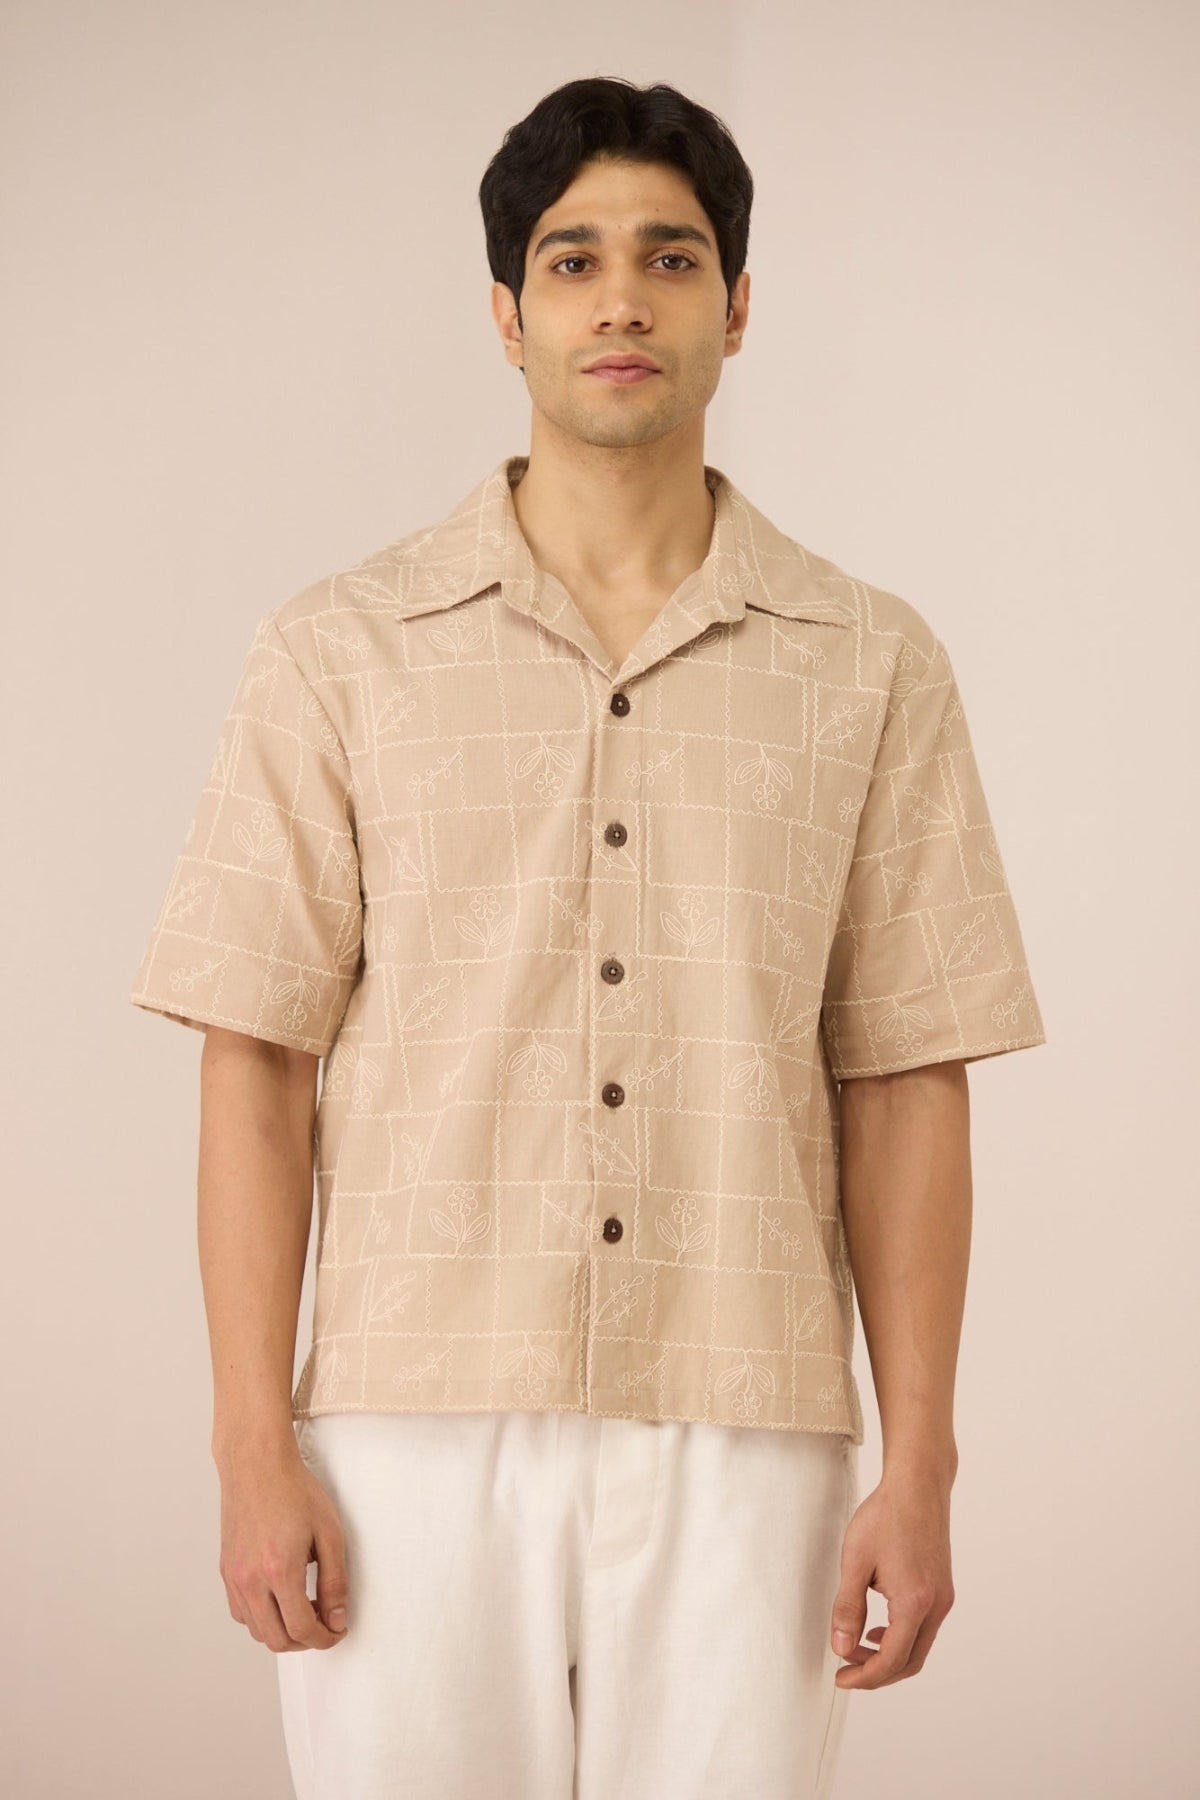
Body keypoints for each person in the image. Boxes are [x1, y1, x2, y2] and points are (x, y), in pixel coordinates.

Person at [129, 75, 1047, 1800]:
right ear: (507, 312)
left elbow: (907, 1074)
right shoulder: (339, 650)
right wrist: (254, 1442)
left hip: (748, 1424)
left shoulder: (871, 662)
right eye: (573, 261)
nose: (622, 298)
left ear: (737, 306)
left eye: (670, 258)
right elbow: (254, 1055)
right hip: (407, 1424)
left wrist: (920, 1462)